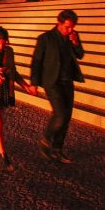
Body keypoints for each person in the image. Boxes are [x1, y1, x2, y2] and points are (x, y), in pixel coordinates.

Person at [28, 10, 85, 164]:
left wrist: (76, 42)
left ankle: (58, 149)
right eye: (67, 27)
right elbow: (36, 61)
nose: (70, 30)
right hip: (52, 82)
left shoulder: (73, 36)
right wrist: (34, 83)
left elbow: (80, 54)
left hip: (67, 81)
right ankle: (46, 139)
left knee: (66, 118)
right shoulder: (45, 38)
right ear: (59, 24)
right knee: (60, 115)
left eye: (72, 27)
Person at [0, 27, 36, 171]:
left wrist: (26, 86)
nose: (1, 46)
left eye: (4, 44)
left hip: (4, 90)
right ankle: (5, 157)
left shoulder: (9, 52)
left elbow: (14, 72)